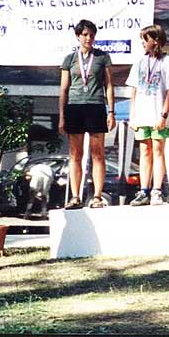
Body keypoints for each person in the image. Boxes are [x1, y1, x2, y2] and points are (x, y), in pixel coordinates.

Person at [58, 19, 116, 209]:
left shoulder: (102, 57)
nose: (88, 38)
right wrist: (62, 116)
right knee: (76, 154)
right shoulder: (69, 59)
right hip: (74, 107)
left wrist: (111, 112)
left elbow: (109, 85)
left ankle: (97, 196)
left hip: (96, 106)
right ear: (78, 36)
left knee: (97, 153)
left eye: (91, 35)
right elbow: (64, 89)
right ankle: (76, 196)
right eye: (84, 35)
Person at [127, 25, 169, 206]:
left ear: (156, 40)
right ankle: (144, 190)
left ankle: (157, 190)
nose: (143, 43)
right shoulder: (139, 62)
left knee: (158, 150)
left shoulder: (168, 62)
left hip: (160, 114)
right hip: (142, 114)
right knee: (145, 151)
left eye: (146, 39)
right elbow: (134, 90)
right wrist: (132, 115)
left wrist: (164, 116)